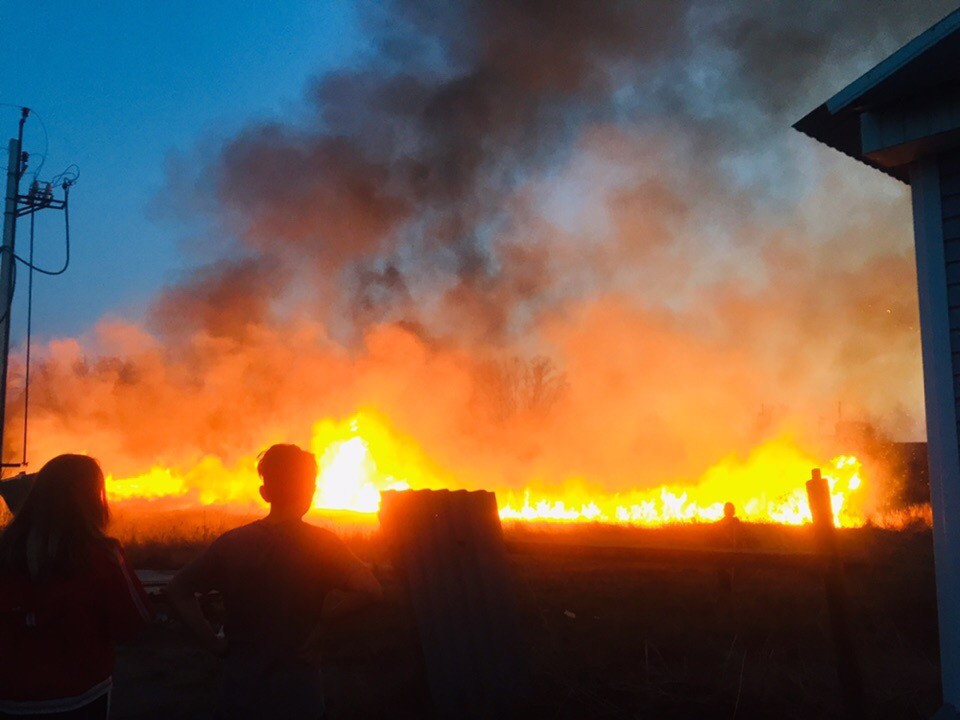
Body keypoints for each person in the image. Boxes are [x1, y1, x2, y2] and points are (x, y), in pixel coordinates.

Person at [167, 443, 383, 720]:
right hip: (298, 695)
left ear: (265, 492)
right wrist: (326, 622)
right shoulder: (323, 544)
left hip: (240, 692)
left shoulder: (233, 543)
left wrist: (213, 643)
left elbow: (177, 590)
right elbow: (371, 589)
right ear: (310, 492)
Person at [0, 454, 153, 719]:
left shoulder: (5, 552)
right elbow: (134, 622)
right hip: (81, 699)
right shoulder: (104, 556)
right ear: (93, 500)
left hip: (11, 699)